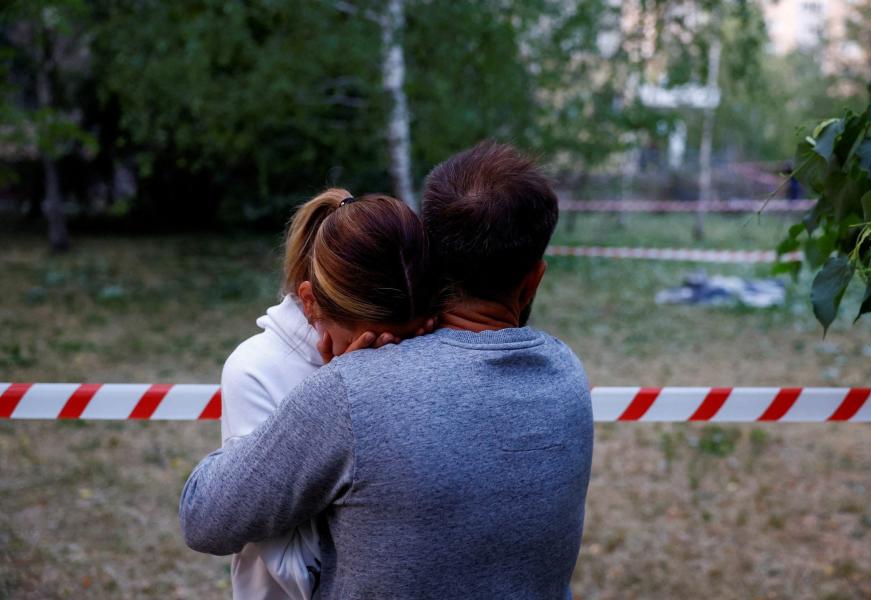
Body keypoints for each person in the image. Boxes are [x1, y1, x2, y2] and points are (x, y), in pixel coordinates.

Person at [180, 141, 594, 600]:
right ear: (535, 277)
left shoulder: (352, 391)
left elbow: (204, 519)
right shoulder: (569, 378)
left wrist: (330, 391)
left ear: (430, 259)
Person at [218, 188, 432, 599]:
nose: (388, 355)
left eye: (402, 342)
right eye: (371, 341)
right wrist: (341, 393)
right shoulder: (255, 370)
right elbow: (297, 571)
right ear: (311, 303)